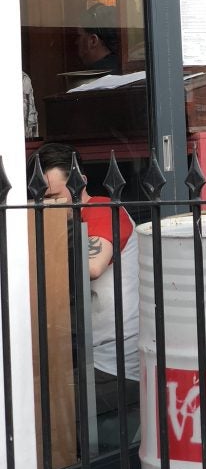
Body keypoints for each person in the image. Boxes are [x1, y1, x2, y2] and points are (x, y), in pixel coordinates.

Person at [36, 142, 140, 449]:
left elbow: (93, 266)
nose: (45, 205)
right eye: (40, 198)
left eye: (53, 197)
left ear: (77, 183)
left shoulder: (101, 208)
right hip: (92, 355)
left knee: (41, 402)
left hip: (117, 362)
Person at [76, 3, 120, 73]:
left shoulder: (89, 79)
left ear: (93, 41)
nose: (76, 42)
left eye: (79, 36)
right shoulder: (126, 69)